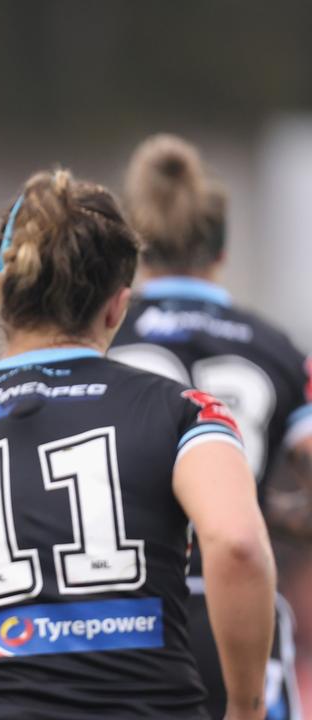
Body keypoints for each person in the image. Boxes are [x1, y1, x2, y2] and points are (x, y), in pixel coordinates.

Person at [0, 169, 277, 719]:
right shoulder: (186, 414)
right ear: (117, 306)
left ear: (2, 294)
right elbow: (239, 545)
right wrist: (246, 707)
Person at [109, 134, 312, 720]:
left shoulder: (102, 332)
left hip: (112, 608)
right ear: (221, 249)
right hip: (236, 614)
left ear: (137, 249)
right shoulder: (277, 348)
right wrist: (265, 513)